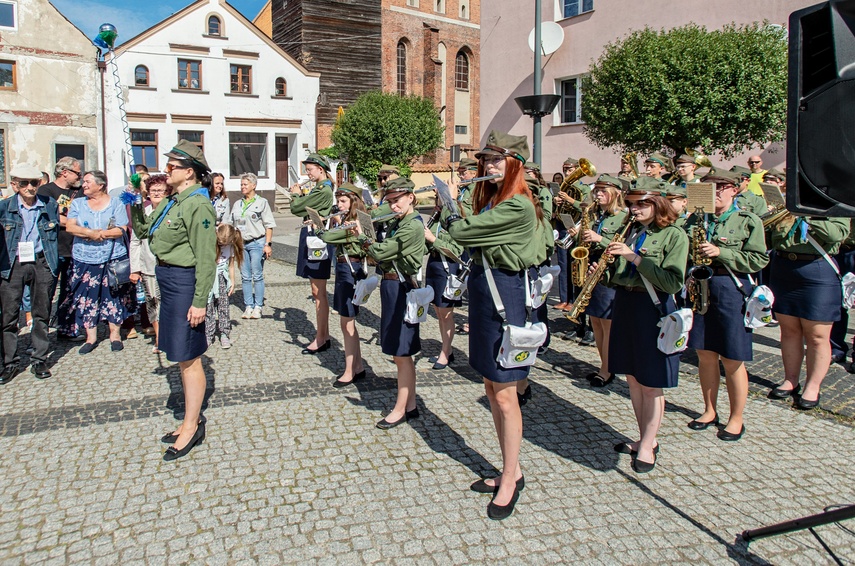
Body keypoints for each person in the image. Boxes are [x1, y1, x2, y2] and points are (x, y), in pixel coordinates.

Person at [445, 131, 542, 520]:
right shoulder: (493, 201)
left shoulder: (517, 205)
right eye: (485, 159)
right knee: (490, 386)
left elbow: (461, 233)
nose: (488, 165)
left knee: (505, 395)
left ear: (515, 164)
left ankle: (511, 477)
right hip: (486, 294)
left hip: (505, 296)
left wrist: (451, 204)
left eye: (497, 160)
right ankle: (510, 469)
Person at [130, 140, 217, 461]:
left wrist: (200, 301)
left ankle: (192, 426)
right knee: (179, 355)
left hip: (184, 283)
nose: (166, 171)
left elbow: (206, 258)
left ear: (189, 172)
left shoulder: (198, 205)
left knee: (189, 356)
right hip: (167, 278)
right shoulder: (173, 200)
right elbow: (144, 230)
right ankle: (188, 420)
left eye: (171, 166)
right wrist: (135, 199)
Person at [603, 177, 688, 474]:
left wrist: (634, 257)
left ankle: (649, 444)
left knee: (651, 382)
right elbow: (621, 274)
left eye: (641, 204)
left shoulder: (674, 235)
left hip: (653, 309)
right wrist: (605, 270)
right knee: (633, 378)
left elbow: (672, 282)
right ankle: (643, 437)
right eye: (631, 204)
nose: (634, 209)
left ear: (657, 203)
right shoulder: (632, 231)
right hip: (626, 304)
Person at [684, 170, 769, 440]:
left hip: (731, 288)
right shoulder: (697, 218)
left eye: (721, 186)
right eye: (710, 187)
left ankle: (736, 418)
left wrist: (722, 252)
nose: (716, 191)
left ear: (734, 189)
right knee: (705, 353)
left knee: (732, 357)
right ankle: (709, 410)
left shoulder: (747, 220)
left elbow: (758, 260)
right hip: (701, 287)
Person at [356, 177, 426, 428]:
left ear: (411, 197)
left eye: (397, 200)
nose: (393, 205)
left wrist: (362, 237)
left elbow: (381, 252)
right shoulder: (399, 221)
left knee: (401, 351)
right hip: (392, 285)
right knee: (400, 351)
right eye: (390, 201)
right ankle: (411, 404)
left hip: (402, 288)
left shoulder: (412, 225)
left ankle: (400, 409)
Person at [766, 211, 849, 410]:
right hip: (784, 267)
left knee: (817, 336)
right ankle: (790, 380)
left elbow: (837, 234)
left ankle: (813, 386)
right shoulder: (786, 203)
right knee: (789, 331)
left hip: (817, 268)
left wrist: (808, 214)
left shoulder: (831, 203)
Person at [58, 171, 135, 353]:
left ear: (100, 185)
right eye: (83, 181)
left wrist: (101, 234)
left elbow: (122, 228)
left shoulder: (116, 203)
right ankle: (90, 337)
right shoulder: (78, 203)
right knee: (86, 297)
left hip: (112, 257)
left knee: (114, 296)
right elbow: (70, 226)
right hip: (84, 258)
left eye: (87, 182)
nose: (83, 185)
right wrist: (90, 233)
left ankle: (115, 335)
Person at [0, 165, 61, 383]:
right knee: (8, 316)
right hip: (13, 263)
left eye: (34, 183)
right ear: (14, 185)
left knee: (41, 312)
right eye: (24, 183)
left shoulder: (49, 205)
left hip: (41, 261)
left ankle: (39, 359)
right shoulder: (4, 207)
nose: (29, 187)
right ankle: (10, 362)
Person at [577, 175, 630, 387]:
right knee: (596, 322)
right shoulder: (597, 215)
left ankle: (607, 369)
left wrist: (600, 239)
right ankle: (604, 364)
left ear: (616, 193)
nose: (598, 194)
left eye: (603, 191)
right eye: (596, 191)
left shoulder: (624, 217)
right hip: (592, 269)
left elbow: (625, 246)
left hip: (610, 273)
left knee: (608, 324)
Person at [317, 183, 369, 387]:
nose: (339, 205)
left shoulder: (354, 223)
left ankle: (349, 371)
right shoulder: (348, 220)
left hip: (350, 269)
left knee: (347, 322)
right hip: (344, 268)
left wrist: (319, 225)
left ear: (354, 202)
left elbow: (328, 237)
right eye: (338, 201)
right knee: (347, 322)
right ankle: (358, 366)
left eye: (343, 201)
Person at [289, 154, 334, 353]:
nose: (307, 173)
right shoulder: (318, 188)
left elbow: (297, 208)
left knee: (318, 292)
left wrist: (296, 194)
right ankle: (323, 335)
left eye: (310, 170)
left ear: (321, 169)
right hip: (312, 239)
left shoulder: (324, 190)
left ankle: (321, 337)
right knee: (317, 292)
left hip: (317, 241)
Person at [37, 156, 82, 336]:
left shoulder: (79, 191)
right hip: (52, 250)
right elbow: (50, 217)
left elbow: (84, 214)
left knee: (69, 292)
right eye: (77, 173)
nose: (79, 177)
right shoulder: (45, 191)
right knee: (45, 293)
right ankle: (40, 335)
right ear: (65, 172)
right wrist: (74, 221)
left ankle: (65, 329)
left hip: (73, 249)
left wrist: (68, 218)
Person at [423, 192, 465, 371]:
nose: (438, 198)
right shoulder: (437, 217)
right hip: (434, 265)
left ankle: (445, 352)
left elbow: (457, 249)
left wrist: (433, 239)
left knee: (446, 312)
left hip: (448, 267)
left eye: (441, 195)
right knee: (438, 311)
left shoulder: (455, 218)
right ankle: (447, 348)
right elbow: (427, 245)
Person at [129, 174, 170, 353]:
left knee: (168, 303)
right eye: (153, 190)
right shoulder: (143, 213)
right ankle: (159, 337)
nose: (156, 193)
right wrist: (135, 269)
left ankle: (170, 336)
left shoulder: (172, 211)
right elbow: (135, 242)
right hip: (149, 267)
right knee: (153, 302)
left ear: (167, 192)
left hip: (170, 266)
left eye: (160, 190)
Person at [225, 173, 275, 319]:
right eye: (241, 184)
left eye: (245, 184)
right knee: (245, 276)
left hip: (257, 242)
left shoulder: (262, 202)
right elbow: (231, 223)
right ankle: (248, 306)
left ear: (254, 185)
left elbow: (269, 225)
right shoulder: (237, 204)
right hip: (241, 244)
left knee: (257, 275)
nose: (242, 187)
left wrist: (267, 244)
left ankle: (258, 306)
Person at [206, 224, 243, 349]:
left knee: (223, 306)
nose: (223, 245)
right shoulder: (211, 243)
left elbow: (231, 265)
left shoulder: (230, 247)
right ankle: (208, 334)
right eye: (221, 243)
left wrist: (232, 282)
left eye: (225, 243)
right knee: (209, 306)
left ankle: (224, 333)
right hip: (210, 278)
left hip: (222, 278)